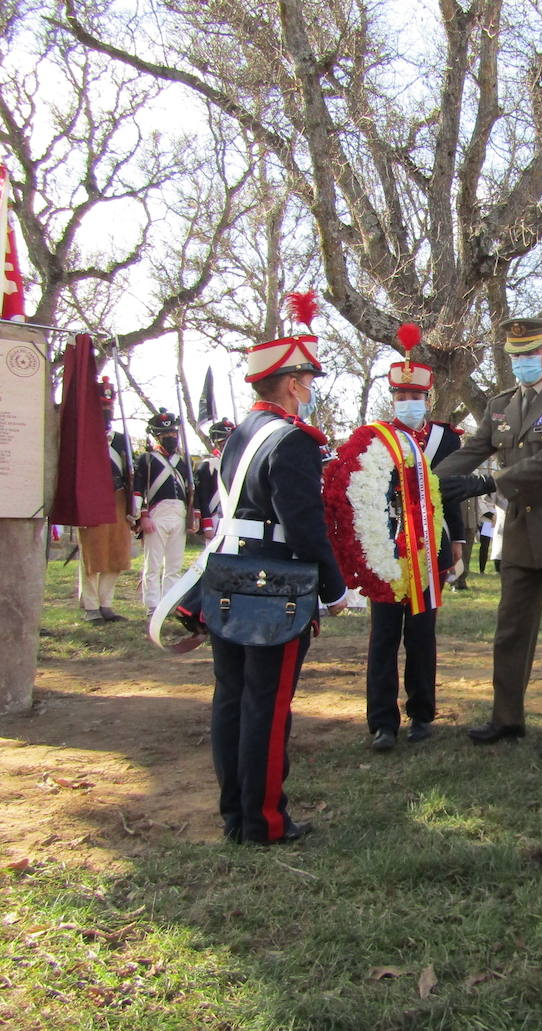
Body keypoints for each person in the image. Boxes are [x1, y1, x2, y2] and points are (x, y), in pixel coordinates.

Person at [435, 316, 542, 760]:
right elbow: (473, 451)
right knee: (510, 632)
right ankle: (506, 718)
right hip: (521, 535)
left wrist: (487, 485)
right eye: (516, 356)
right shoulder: (500, 405)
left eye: (531, 354)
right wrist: (423, 481)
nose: (523, 362)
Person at [210, 320, 349, 845]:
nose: (309, 391)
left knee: (232, 698)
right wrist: (334, 589)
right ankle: (263, 821)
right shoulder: (292, 441)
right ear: (292, 384)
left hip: (230, 572)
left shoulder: (239, 434)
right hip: (274, 584)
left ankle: (234, 814)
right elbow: (304, 526)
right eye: (307, 382)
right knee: (267, 706)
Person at [327, 349, 464, 752]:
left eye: (415, 396)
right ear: (393, 398)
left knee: (422, 635)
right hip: (384, 551)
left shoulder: (445, 438)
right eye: (401, 396)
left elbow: (452, 494)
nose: (408, 403)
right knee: (383, 637)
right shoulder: (376, 439)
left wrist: (457, 542)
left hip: (430, 548)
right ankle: (382, 722)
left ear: (427, 399)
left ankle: (422, 713)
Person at [77, 376, 133, 624]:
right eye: (102, 408)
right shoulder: (83, 436)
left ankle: (106, 604)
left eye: (109, 407)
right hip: (93, 499)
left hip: (119, 499)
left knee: (116, 554)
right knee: (93, 555)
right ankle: (90, 606)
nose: (107, 412)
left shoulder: (121, 440)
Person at [132, 409, 192, 613]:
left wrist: (195, 517)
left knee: (174, 565)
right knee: (153, 565)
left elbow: (193, 492)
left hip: (180, 514)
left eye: (173, 434)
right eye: (166, 435)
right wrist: (143, 515)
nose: (171, 438)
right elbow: (138, 490)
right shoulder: (147, 459)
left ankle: (169, 604)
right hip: (157, 514)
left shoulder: (183, 462)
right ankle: (152, 605)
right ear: (158, 436)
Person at [194, 418, 236, 540]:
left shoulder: (239, 465)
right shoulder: (209, 465)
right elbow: (202, 497)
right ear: (217, 444)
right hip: (215, 517)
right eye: (224, 444)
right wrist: (207, 526)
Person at [477, 509, 496, 574]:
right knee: (485, 546)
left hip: (497, 516)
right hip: (485, 520)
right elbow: (481, 505)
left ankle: (499, 569)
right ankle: (482, 569)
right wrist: (491, 516)